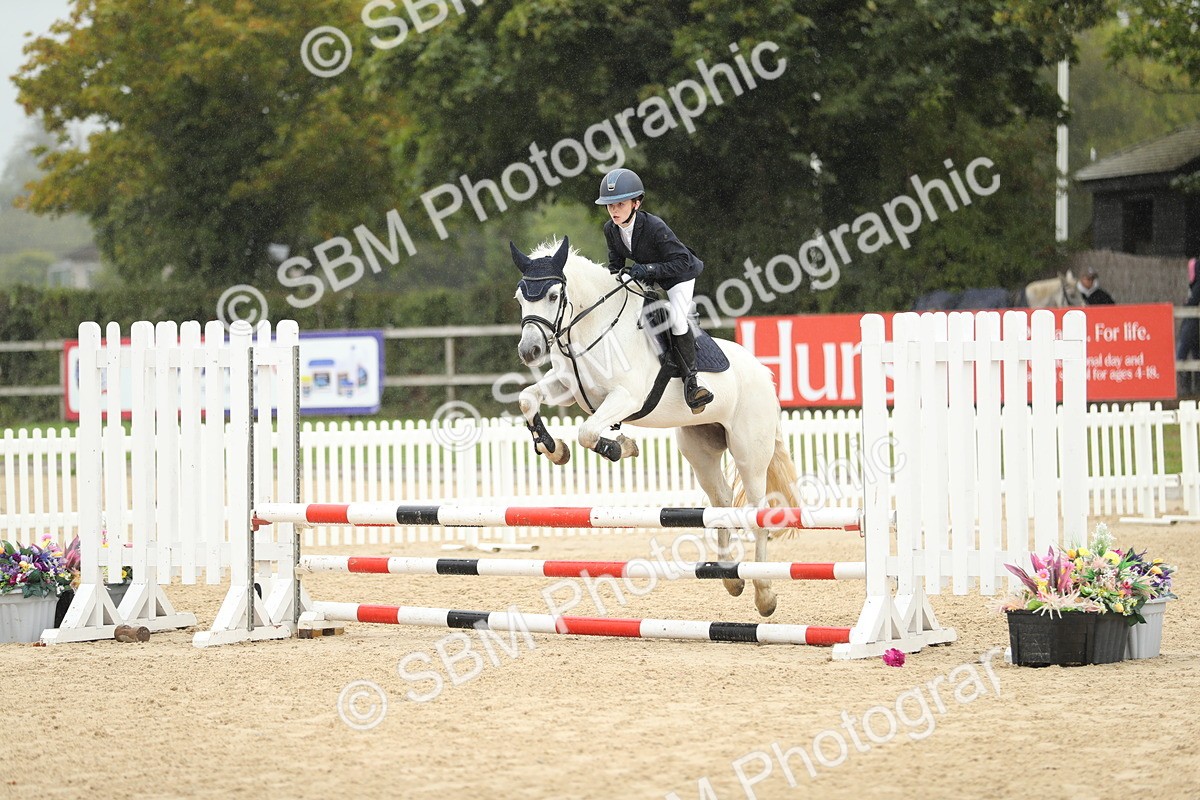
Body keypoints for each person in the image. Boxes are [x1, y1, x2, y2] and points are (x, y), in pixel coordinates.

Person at [595, 168, 714, 411]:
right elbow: (615, 265)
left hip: (679, 275)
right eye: (610, 205)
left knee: (677, 319)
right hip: (649, 275)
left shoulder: (654, 227)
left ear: (636, 203)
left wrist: (647, 269)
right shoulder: (611, 229)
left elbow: (682, 261)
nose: (614, 210)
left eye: (620, 204)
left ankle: (692, 383)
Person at [1178, 257, 1200, 395]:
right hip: (1192, 322)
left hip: (1192, 322)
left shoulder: (1197, 286)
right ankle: (1194, 388)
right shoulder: (1194, 286)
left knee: (1182, 353)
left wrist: (1187, 303)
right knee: (1196, 353)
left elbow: (1192, 302)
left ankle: (1187, 389)